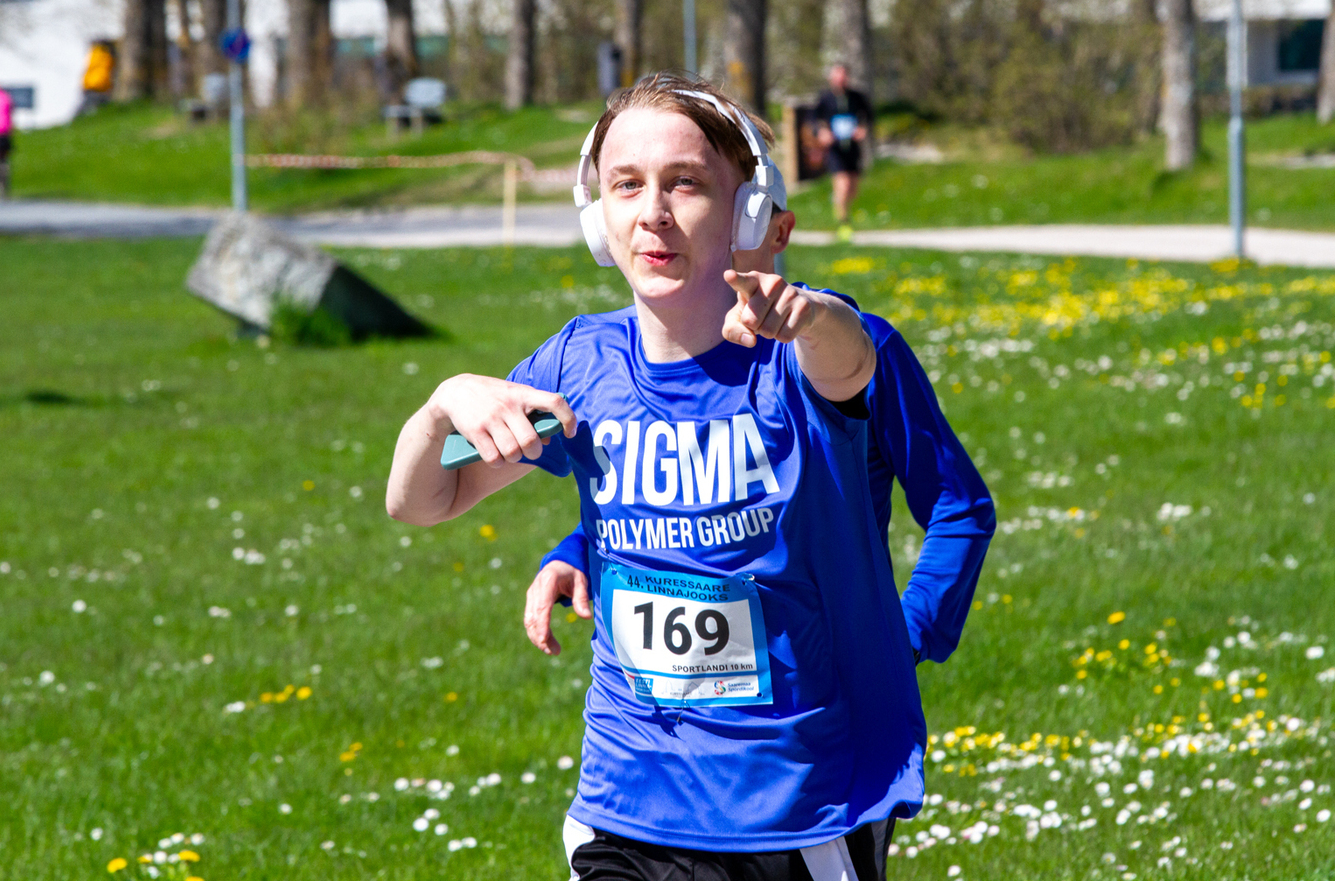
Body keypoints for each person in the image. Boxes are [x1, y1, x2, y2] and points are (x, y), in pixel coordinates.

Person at [387, 73, 936, 880]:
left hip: (791, 807)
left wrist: (809, 316)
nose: (653, 212)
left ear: (748, 211)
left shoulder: (796, 355)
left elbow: (849, 358)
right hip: (627, 797)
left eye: (685, 183)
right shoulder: (578, 363)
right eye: (626, 185)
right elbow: (421, 501)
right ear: (597, 218)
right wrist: (439, 408)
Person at [530, 137, 995, 881]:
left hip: (805, 777)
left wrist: (903, 636)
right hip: (648, 779)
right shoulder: (644, 351)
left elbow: (960, 508)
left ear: (768, 227)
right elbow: (682, 501)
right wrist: (575, 552)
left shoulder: (849, 352)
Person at [814, 64, 873, 242]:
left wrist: (862, 129)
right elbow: (813, 118)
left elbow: (869, 115)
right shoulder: (825, 98)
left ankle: (840, 205)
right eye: (837, 76)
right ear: (831, 78)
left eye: (843, 76)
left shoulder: (856, 97)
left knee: (853, 188)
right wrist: (821, 132)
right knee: (843, 184)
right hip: (835, 149)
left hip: (852, 148)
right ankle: (843, 223)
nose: (840, 80)